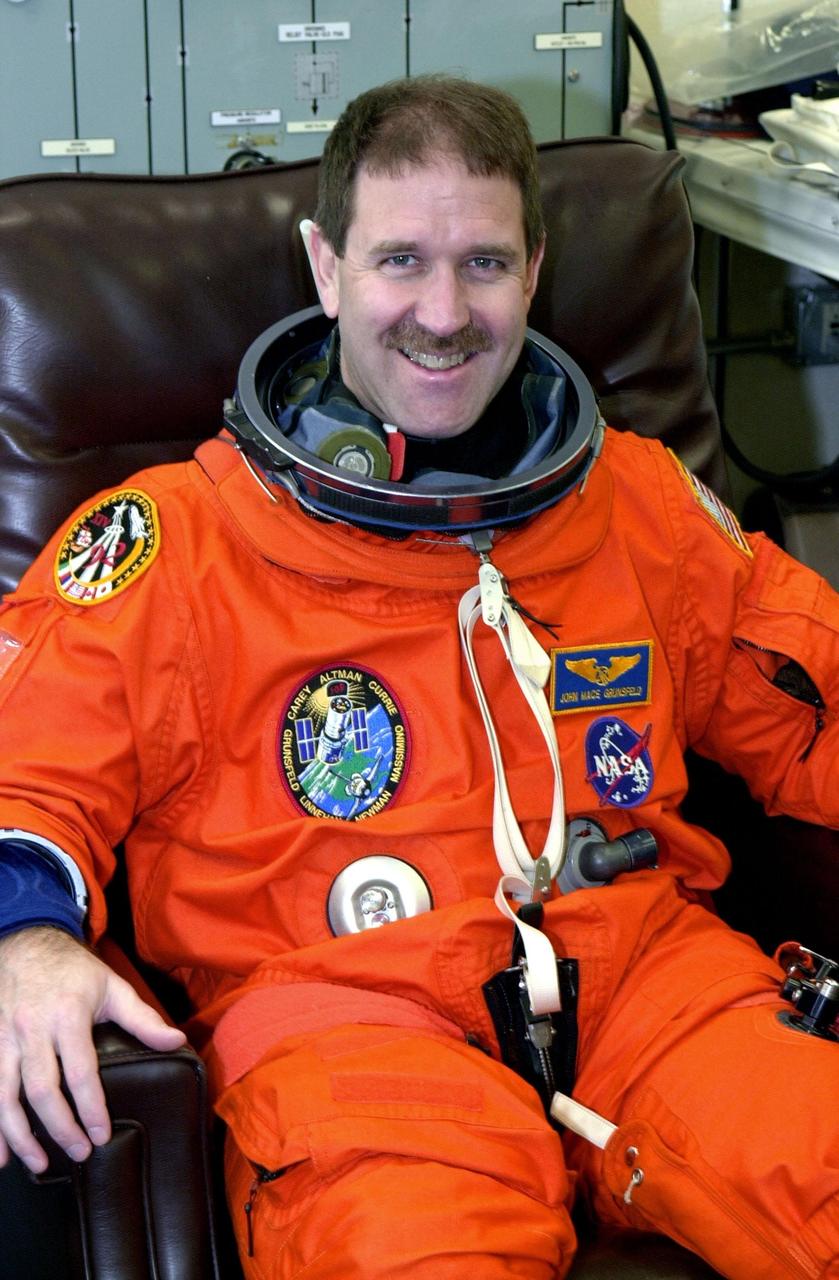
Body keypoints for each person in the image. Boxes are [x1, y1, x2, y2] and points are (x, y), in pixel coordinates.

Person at [0, 73, 837, 1280]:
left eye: (484, 264)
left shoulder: (638, 504)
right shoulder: (176, 541)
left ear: (534, 269)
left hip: (652, 986)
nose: (442, 312)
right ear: (325, 266)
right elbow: (27, 770)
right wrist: (23, 935)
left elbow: (807, 696)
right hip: (344, 1027)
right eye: (399, 260)